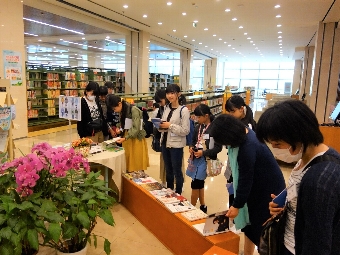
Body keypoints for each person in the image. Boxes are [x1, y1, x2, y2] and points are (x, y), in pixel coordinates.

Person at [256, 99, 340, 255]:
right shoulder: (307, 159)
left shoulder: (319, 180)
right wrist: (287, 207)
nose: (274, 149)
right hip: (288, 240)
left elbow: (318, 244)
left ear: (296, 134)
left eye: (277, 144)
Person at [210, 114, 285, 255]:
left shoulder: (247, 148)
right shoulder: (244, 132)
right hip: (258, 187)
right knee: (249, 227)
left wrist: (237, 205)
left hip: (266, 193)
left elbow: (245, 180)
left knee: (260, 229)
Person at [187, 104, 222, 213]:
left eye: (199, 117)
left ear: (206, 116)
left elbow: (218, 148)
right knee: (199, 183)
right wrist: (191, 147)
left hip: (205, 160)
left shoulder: (215, 129)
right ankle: (203, 206)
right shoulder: (198, 127)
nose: (197, 119)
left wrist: (204, 153)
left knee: (195, 184)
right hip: (195, 159)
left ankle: (191, 208)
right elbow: (193, 141)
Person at [225, 95, 257, 208]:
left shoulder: (248, 127)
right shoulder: (236, 122)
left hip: (240, 167)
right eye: (228, 112)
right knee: (232, 193)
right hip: (232, 167)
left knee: (239, 195)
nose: (230, 115)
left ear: (241, 109)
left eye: (232, 111)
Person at [159, 84, 190, 194]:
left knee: (177, 170)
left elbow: (185, 130)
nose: (170, 96)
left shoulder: (184, 110)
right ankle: (170, 190)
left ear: (178, 94)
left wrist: (170, 126)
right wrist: (159, 125)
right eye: (168, 93)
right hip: (165, 142)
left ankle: (178, 192)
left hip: (176, 145)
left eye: (172, 93)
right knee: (168, 169)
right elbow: (164, 123)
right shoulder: (166, 108)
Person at [106, 95, 149, 172]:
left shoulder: (133, 110)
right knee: (128, 162)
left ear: (119, 104)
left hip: (136, 139)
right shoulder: (123, 110)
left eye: (114, 109)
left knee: (136, 163)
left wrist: (125, 138)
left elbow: (136, 128)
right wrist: (120, 128)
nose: (114, 111)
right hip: (127, 138)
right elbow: (124, 123)